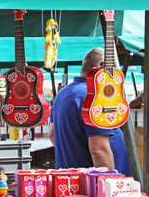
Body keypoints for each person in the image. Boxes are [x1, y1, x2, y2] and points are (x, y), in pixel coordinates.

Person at [49, 48, 132, 176]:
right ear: (101, 67)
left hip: (74, 179)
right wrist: (108, 183)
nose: (114, 75)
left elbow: (52, 134)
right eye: (112, 70)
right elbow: (98, 148)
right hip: (94, 185)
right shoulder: (94, 96)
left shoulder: (63, 93)